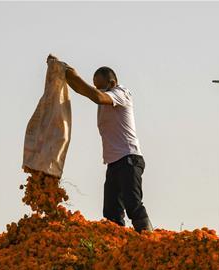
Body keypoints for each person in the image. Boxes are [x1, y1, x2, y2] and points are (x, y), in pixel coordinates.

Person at [52, 56, 153, 232]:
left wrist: (73, 74)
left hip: (129, 159)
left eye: (101, 86)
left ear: (112, 82)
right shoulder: (104, 94)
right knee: (111, 212)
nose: (97, 89)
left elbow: (97, 96)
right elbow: (83, 90)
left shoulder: (122, 94)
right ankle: (117, 247)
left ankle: (149, 242)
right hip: (114, 163)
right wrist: (63, 73)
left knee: (133, 204)